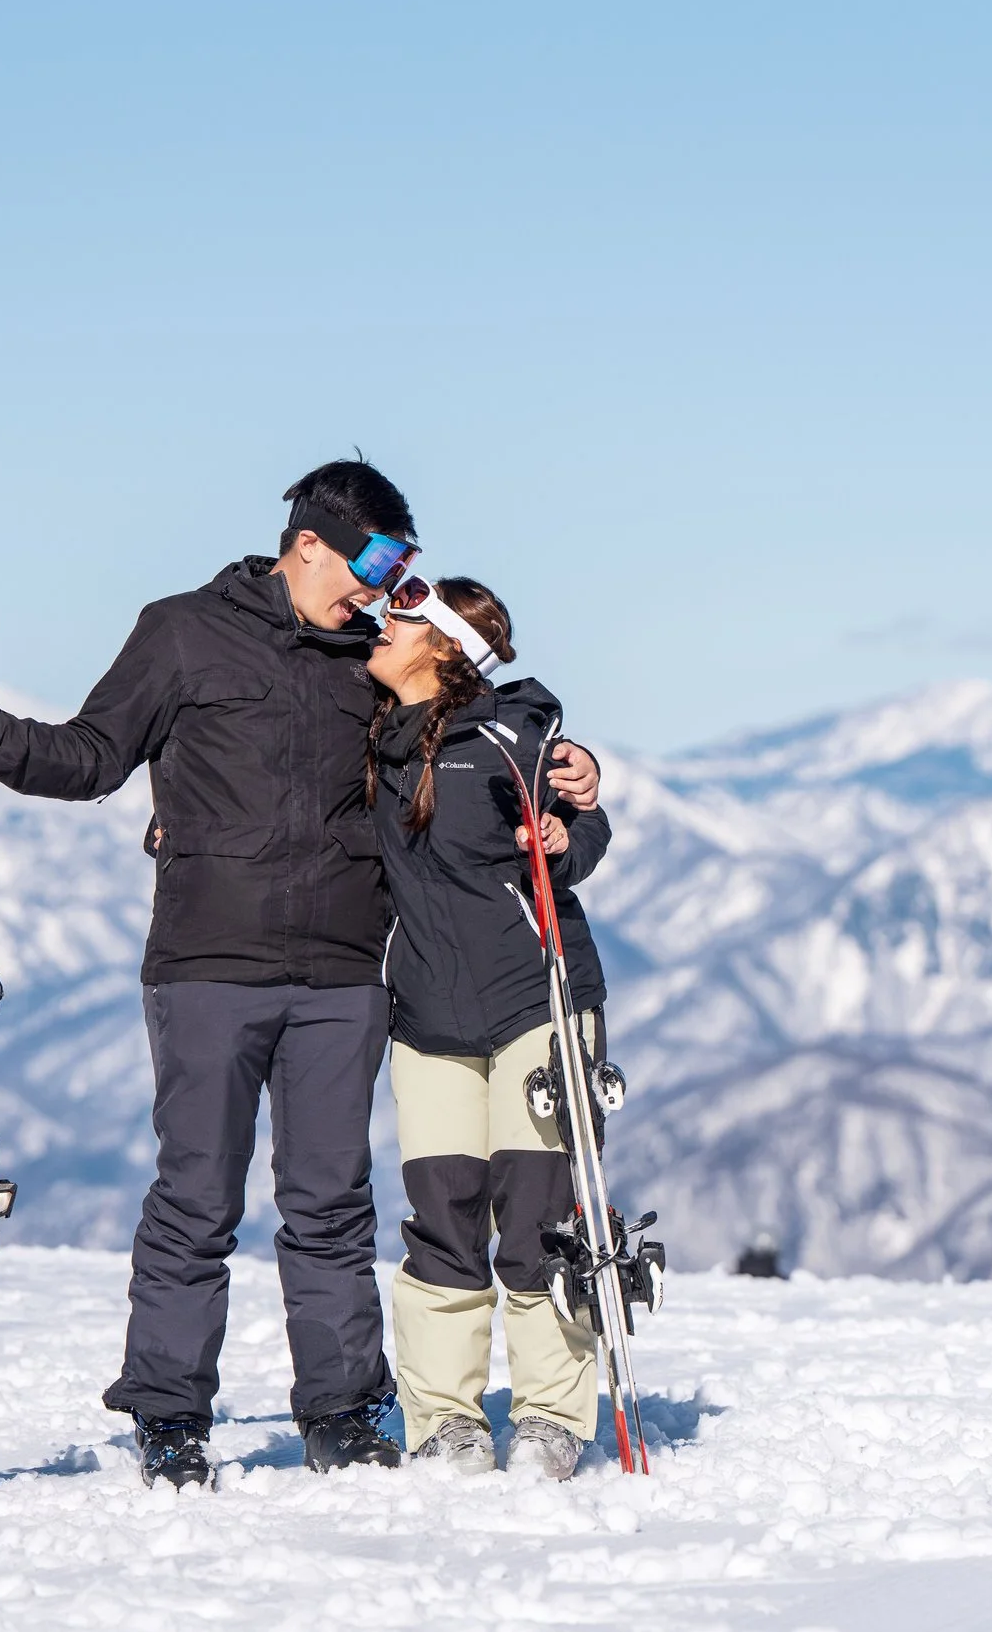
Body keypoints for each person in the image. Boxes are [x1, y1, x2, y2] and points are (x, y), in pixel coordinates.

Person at [0, 461, 601, 1488]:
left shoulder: (366, 659)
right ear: (309, 543)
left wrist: (573, 766)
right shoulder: (182, 632)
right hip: (207, 965)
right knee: (195, 1197)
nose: (380, 590)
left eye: (398, 572)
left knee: (331, 1204)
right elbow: (92, 755)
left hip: (342, 975)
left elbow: (469, 714)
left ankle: (345, 1410)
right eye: (373, 563)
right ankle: (168, 1413)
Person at [362, 573, 611, 1481]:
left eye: (398, 618)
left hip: (536, 1003)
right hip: (429, 1017)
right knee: (443, 1216)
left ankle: (550, 1413)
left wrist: (568, 835)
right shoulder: (370, 736)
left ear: (442, 647)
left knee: (538, 1217)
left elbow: (580, 823)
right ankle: (445, 1419)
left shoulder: (512, 735)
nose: (379, 625)